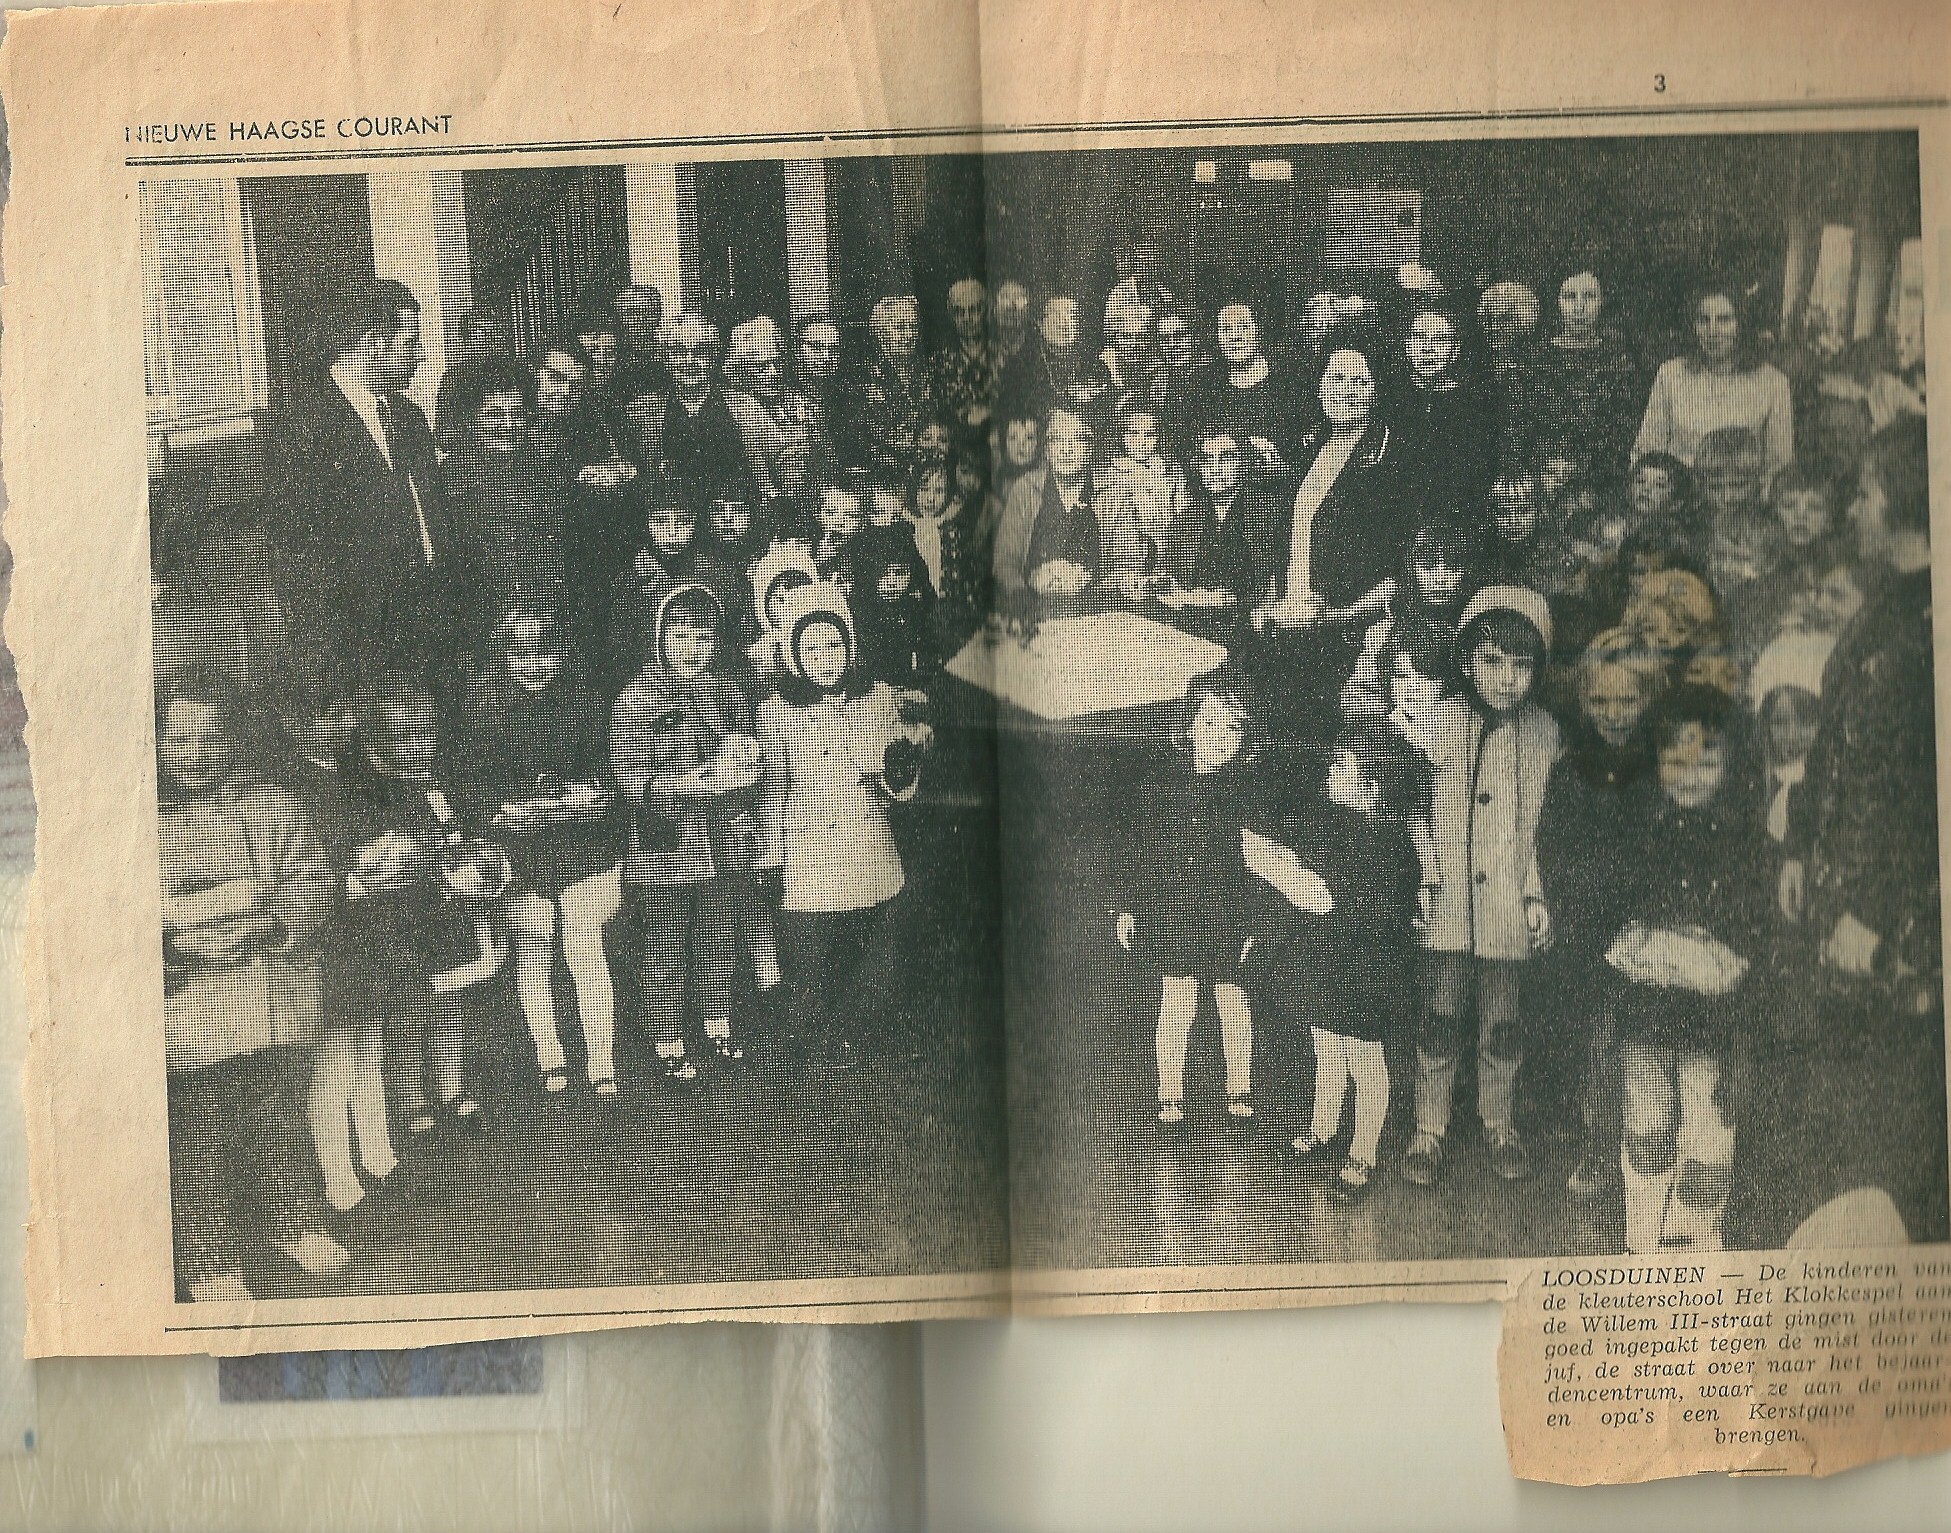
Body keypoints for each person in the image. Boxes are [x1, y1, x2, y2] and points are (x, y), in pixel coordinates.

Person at [1745, 418, 1946, 1246]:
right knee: (1815, 1084)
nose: (1852, 509)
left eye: (1864, 493)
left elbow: (1915, 801)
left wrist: (1868, 909)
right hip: (1828, 887)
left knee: (1874, 1117)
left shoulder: (1924, 629)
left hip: (1883, 919)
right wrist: (1795, 849)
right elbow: (1831, 747)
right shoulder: (1876, 608)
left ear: (1902, 504)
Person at [158, 670, 345, 1301]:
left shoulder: (274, 801)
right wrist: (188, 932)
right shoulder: (140, 812)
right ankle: (213, 1261)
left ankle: (295, 1224)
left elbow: (315, 877)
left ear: (233, 737)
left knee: (280, 1119)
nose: (191, 751)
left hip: (274, 989)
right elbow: (143, 910)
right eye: (177, 736)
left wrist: (276, 923)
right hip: (195, 1000)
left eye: (207, 735)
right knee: (206, 1134)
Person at [1601, 684, 1769, 1252]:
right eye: (1677, 759)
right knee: (1645, 1101)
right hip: (1649, 992)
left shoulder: (1745, 837)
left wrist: (1725, 944)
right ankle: (1642, 1227)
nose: (1692, 774)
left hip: (1714, 997)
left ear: (1730, 763)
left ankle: (1695, 1231)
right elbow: (1616, 898)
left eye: (1708, 761)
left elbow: (1757, 915)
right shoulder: (1639, 824)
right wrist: (1633, 935)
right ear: (1655, 760)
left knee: (1709, 1109)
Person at [1405, 585, 1562, 1187]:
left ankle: (1500, 1120)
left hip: (1506, 904)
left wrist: (1536, 892)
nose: (1505, 679)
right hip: (1446, 896)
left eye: (1521, 666)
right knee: (1439, 1016)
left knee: (1503, 1020)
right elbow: (1414, 808)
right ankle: (1428, 1126)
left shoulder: (1544, 734)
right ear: (1468, 658)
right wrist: (1423, 874)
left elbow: (1542, 825)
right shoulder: (1437, 717)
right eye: (1491, 661)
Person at [757, 583, 934, 1064]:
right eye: (811, 648)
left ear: (849, 646)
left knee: (880, 941)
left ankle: (862, 1031)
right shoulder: (777, 711)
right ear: (794, 654)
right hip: (810, 837)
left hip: (865, 831)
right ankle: (809, 1039)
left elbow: (898, 762)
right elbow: (774, 784)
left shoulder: (873, 698)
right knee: (813, 950)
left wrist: (902, 759)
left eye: (834, 646)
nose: (824, 658)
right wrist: (771, 853)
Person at [454, 605, 623, 1098]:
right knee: (533, 957)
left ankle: (602, 1062)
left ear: (559, 652)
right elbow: (474, 792)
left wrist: (585, 799)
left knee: (585, 949)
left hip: (580, 850)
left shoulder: (586, 706)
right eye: (520, 651)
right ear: (505, 655)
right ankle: (551, 1060)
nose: (533, 663)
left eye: (543, 650)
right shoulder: (488, 713)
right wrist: (504, 812)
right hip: (522, 855)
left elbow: (612, 778)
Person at [343, 675, 511, 1136]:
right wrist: (416, 860)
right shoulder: (369, 801)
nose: (419, 748)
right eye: (403, 739)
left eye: (425, 734)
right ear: (376, 749)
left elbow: (459, 839)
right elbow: (373, 867)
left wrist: (474, 860)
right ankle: (413, 1102)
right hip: (399, 924)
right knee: (404, 1015)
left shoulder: (436, 791)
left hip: (445, 916)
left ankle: (453, 1088)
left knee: (448, 1006)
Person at [270, 279, 458, 685]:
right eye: (410, 343)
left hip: (427, 629)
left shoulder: (409, 418)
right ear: (374, 342)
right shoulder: (307, 428)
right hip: (358, 651)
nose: (421, 358)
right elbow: (300, 555)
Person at [611, 583, 762, 1082]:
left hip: (725, 837)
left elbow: (758, 754)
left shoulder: (731, 690)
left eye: (703, 636)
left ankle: (717, 1020)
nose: (691, 647)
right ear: (660, 637)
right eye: (679, 634)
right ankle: (667, 1033)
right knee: (666, 939)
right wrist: (683, 784)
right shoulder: (639, 694)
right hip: (668, 841)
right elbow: (627, 771)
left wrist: (743, 769)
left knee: (718, 936)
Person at [1275, 723, 1427, 1199]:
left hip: (1370, 970)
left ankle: (1362, 1151)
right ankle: (1322, 1132)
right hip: (1330, 959)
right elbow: (1305, 875)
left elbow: (1383, 914)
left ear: (1373, 783)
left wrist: (1322, 893)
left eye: (1342, 767)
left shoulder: (1395, 846)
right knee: (1326, 1051)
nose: (1330, 774)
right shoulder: (1329, 823)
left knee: (1365, 1060)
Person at [267, 667, 398, 1214]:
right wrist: (349, 872)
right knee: (335, 1053)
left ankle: (377, 1146)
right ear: (297, 725)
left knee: (371, 1037)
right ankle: (336, 1171)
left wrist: (391, 850)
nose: (344, 724)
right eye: (331, 714)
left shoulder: (356, 771)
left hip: (365, 924)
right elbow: (297, 867)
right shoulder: (290, 784)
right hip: (321, 933)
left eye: (349, 713)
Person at [1535, 634, 1661, 1200]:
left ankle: (1628, 1145)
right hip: (1584, 927)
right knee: (1591, 1040)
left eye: (1627, 702)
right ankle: (1594, 1141)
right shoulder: (1571, 768)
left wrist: (1642, 918)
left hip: (1638, 926)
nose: (1614, 715)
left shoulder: (1657, 770)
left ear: (1649, 699)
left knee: (1631, 1044)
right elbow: (1554, 850)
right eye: (1602, 702)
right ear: (1586, 700)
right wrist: (1571, 912)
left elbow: (1662, 851)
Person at [1114, 671, 1263, 1127]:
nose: (1221, 737)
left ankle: (1239, 1087)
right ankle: (1169, 1091)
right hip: (1173, 911)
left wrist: (1256, 923)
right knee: (1176, 1000)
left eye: (1234, 726)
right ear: (1189, 722)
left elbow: (1257, 865)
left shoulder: (1244, 792)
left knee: (1233, 1001)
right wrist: (1128, 906)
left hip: (1226, 913)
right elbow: (1143, 851)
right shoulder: (1162, 783)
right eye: (1211, 721)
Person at [1246, 346, 1409, 752]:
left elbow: (1392, 566)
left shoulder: (1389, 457)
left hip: (1348, 634)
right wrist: (1274, 600)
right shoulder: (1311, 444)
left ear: (1376, 388)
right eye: (1337, 379)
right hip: (1290, 622)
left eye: (1359, 381)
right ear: (1319, 388)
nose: (1347, 391)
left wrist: (1331, 611)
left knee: (1317, 749)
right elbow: (1290, 537)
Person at [440, 357, 567, 652]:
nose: (507, 425)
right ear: (472, 418)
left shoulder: (544, 472)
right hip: (478, 624)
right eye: (495, 413)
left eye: (517, 414)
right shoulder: (449, 478)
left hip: (542, 625)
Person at [1634, 281, 1794, 481]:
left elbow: (1778, 468)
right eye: (1703, 320)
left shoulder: (1773, 383)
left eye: (1724, 319)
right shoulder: (1670, 374)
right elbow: (1648, 450)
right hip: (1681, 498)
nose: (1713, 331)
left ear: (1741, 324)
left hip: (1739, 501)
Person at [1341, 518, 1476, 718]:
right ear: (1412, 568)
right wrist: (1394, 710)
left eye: (1452, 565)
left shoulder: (1476, 629)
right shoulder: (1385, 633)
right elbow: (1350, 700)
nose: (1440, 578)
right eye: (1428, 565)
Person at [1526, 267, 1644, 485]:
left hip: (1603, 478)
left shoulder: (1619, 361)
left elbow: (1625, 428)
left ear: (1603, 301)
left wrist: (1586, 469)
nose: (1579, 307)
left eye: (1589, 296)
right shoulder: (1537, 361)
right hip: (1546, 477)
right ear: (1555, 301)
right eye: (1570, 297)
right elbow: (1529, 429)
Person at [1397, 304, 1497, 516]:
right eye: (1419, 337)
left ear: (1455, 349)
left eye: (1440, 339)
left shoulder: (1471, 404)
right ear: (1406, 344)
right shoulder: (1394, 400)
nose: (1428, 348)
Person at [992, 405, 1100, 599]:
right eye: (1057, 439)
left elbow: (1122, 567)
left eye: (1078, 439)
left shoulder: (1108, 490)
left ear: (1091, 446)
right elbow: (1005, 562)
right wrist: (1022, 593)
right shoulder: (1026, 488)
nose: (1067, 449)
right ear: (1047, 448)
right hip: (1036, 609)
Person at [723, 316, 825, 516]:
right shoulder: (736, 408)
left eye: (777, 363)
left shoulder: (797, 398)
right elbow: (758, 476)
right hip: (765, 509)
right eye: (762, 366)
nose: (773, 373)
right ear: (742, 369)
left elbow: (821, 456)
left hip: (813, 501)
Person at [643, 312, 748, 506]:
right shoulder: (645, 410)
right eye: (679, 352)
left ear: (714, 356)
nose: (690, 361)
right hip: (672, 519)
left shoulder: (744, 406)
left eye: (700, 351)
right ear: (665, 358)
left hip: (732, 514)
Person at [1092, 401, 1189, 600]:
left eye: (1149, 434)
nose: (1141, 441)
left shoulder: (1172, 473)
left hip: (1161, 571)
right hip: (1118, 567)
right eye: (1133, 433)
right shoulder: (1106, 473)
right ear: (1121, 435)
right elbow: (1102, 528)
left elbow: (1181, 523)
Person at [843, 294, 938, 478]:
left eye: (913, 327)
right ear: (881, 333)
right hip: (882, 476)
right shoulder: (863, 379)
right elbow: (862, 442)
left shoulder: (929, 370)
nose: (909, 335)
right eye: (900, 327)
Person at [1205, 298, 1293, 478]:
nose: (1234, 337)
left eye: (1244, 327)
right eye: (1226, 329)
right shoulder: (1209, 389)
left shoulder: (1288, 384)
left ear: (1259, 331)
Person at [433, 308, 515, 454]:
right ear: (466, 340)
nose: (489, 342)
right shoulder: (454, 378)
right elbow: (443, 432)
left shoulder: (511, 374)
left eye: (494, 335)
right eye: (480, 334)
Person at [931, 277, 998, 435]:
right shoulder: (940, 362)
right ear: (951, 316)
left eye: (974, 310)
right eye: (959, 312)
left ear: (986, 311)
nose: (967, 318)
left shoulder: (1001, 355)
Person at [611, 282, 669, 406]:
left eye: (643, 312)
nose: (637, 319)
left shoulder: (669, 356)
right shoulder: (611, 357)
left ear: (657, 317)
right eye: (629, 313)